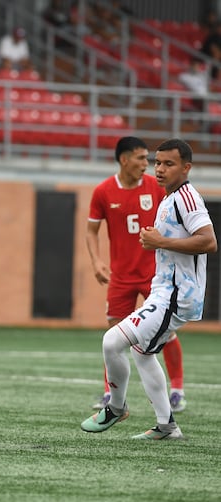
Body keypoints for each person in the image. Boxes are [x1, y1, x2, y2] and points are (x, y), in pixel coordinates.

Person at [81, 138, 216, 440]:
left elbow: (209, 241)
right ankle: (167, 427)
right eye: (157, 162)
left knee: (112, 342)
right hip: (162, 291)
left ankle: (116, 407)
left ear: (186, 167)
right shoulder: (169, 198)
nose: (159, 168)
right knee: (142, 352)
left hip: (176, 296)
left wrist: (160, 242)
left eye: (168, 164)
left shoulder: (187, 198)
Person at [86, 137, 188, 413]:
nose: (147, 164)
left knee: (165, 333)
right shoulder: (103, 191)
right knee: (114, 336)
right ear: (124, 159)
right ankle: (111, 394)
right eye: (141, 158)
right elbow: (91, 231)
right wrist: (96, 261)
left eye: (148, 159)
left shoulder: (157, 188)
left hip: (155, 274)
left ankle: (177, 389)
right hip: (120, 277)